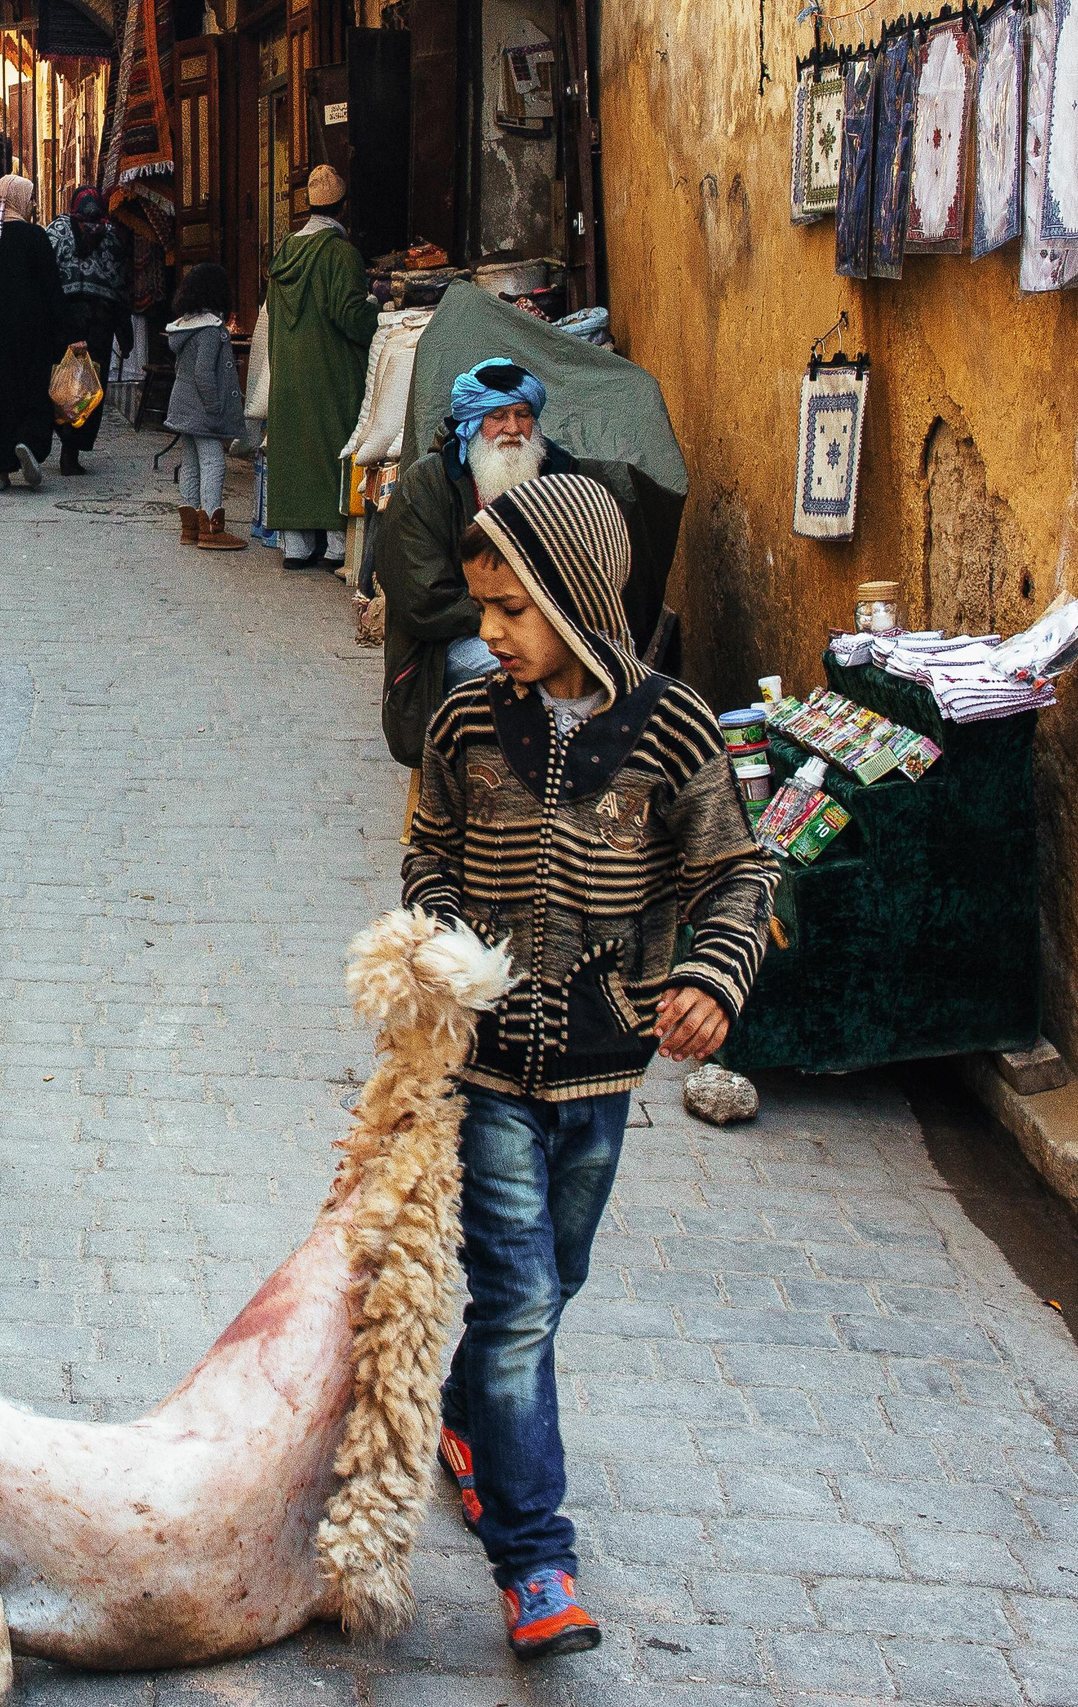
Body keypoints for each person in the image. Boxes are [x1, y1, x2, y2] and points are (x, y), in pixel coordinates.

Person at [403, 473, 776, 1662]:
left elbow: (738, 874)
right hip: (488, 1071)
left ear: (573, 594)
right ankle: (535, 1559)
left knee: (551, 1284)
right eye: (480, 609)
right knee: (518, 1304)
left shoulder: (672, 729)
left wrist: (711, 980)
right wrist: (443, 953)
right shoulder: (463, 723)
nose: (489, 633)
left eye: (509, 608)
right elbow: (426, 859)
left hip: (603, 1073)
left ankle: (464, 1421)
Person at [376, 359, 647, 770]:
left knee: (612, 663)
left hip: (552, 628)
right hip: (447, 646)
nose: (513, 429)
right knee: (558, 665)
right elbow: (425, 601)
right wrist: (526, 620)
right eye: (497, 416)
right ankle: (558, 770)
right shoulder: (426, 485)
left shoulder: (557, 476)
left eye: (523, 416)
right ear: (470, 424)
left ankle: (593, 773)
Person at [259, 164, 379, 570]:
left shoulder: (285, 254)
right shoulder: (341, 255)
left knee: (292, 450)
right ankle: (333, 547)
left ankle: (294, 545)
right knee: (333, 445)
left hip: (290, 371)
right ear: (342, 209)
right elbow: (350, 315)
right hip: (330, 371)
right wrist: (377, 310)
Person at [0, 173, 68, 493]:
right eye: (30, 198)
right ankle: (29, 446)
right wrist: (67, 332)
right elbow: (52, 289)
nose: (33, 204)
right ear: (17, 200)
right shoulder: (35, 237)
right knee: (32, 394)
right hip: (33, 334)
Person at [161, 262, 247, 550]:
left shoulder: (184, 327)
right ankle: (211, 525)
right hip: (203, 411)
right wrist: (214, 408)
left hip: (183, 407)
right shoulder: (210, 329)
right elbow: (203, 373)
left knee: (190, 464)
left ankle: (190, 525)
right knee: (214, 462)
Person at [47, 187, 131, 475]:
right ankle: (72, 450)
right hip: (99, 322)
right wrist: (125, 332)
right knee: (90, 385)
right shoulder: (112, 237)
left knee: (60, 379)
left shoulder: (56, 230)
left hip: (61, 319)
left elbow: (45, 275)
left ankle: (57, 435)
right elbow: (120, 286)